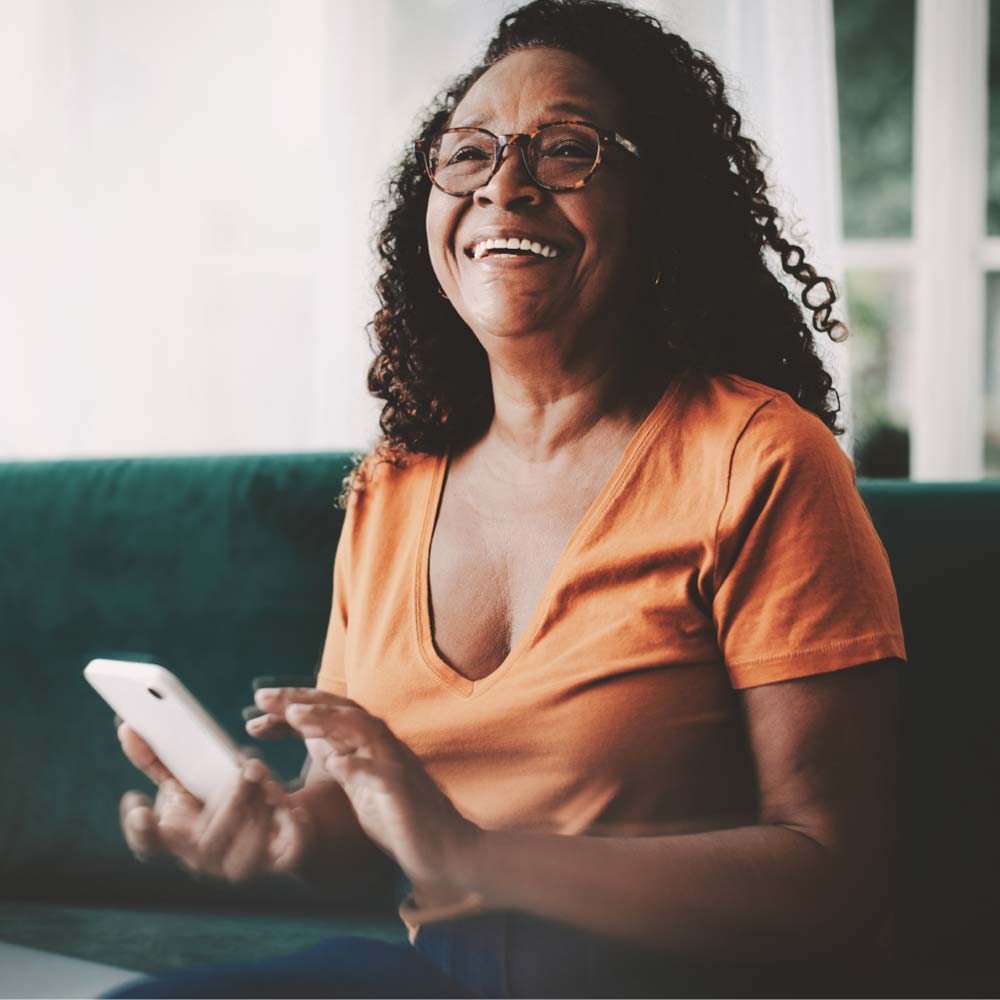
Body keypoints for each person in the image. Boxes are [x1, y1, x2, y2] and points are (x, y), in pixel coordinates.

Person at [105, 0, 906, 996]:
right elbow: (359, 825)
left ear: (658, 207)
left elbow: (833, 877)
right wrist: (275, 832)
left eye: (565, 150)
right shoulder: (395, 481)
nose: (507, 186)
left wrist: (477, 853)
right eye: (469, 154)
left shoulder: (758, 457)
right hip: (439, 974)